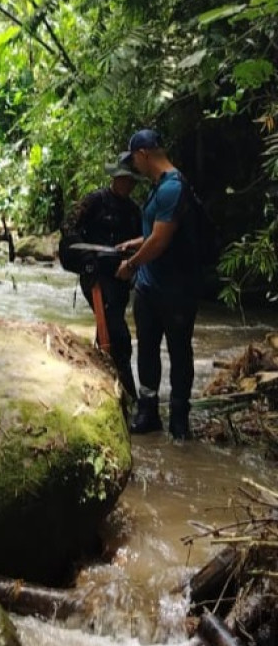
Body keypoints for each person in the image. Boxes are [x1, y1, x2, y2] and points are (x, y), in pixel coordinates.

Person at [115, 129, 201, 439]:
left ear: (143, 154)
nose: (134, 167)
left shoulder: (173, 187)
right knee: (147, 349)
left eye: (134, 160)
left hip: (176, 289)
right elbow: (156, 232)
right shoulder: (159, 187)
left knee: (179, 352)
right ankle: (148, 411)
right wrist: (134, 243)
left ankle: (179, 419)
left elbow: (161, 240)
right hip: (149, 287)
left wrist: (131, 264)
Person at [59, 155, 143, 398]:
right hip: (94, 274)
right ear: (115, 178)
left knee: (110, 328)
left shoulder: (133, 211)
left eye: (131, 180)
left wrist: (132, 262)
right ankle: (128, 393)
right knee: (118, 334)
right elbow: (68, 227)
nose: (128, 184)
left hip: (121, 275)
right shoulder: (94, 200)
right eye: (124, 179)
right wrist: (85, 258)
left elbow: (143, 242)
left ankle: (107, 380)